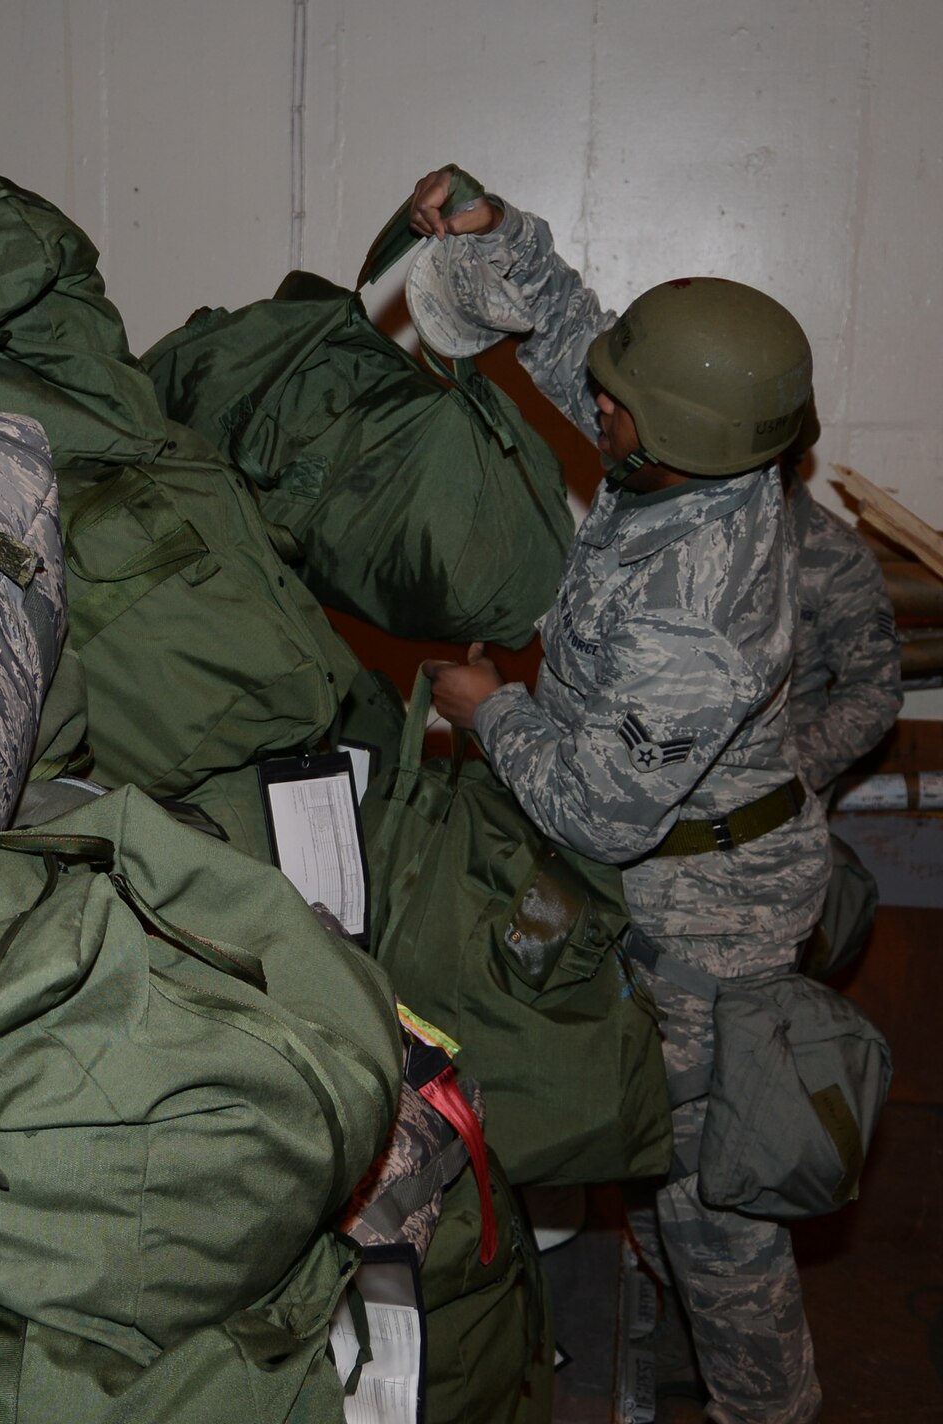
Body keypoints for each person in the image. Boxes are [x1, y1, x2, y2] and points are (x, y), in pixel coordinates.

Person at [405, 167, 828, 1424]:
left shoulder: (700, 611)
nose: (593, 401)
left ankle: (768, 1404)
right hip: (670, 864)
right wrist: (503, 238)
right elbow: (589, 346)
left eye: (614, 404)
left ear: (674, 432)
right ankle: (644, 1356)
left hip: (709, 908)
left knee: (711, 1196)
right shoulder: (694, 449)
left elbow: (596, 810)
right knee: (639, 1145)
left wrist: (488, 709)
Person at [784, 457, 902, 978]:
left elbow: (874, 691)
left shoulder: (832, 555)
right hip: (659, 814)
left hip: (773, 831)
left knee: (748, 1020)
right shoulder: (675, 529)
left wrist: (785, 773)